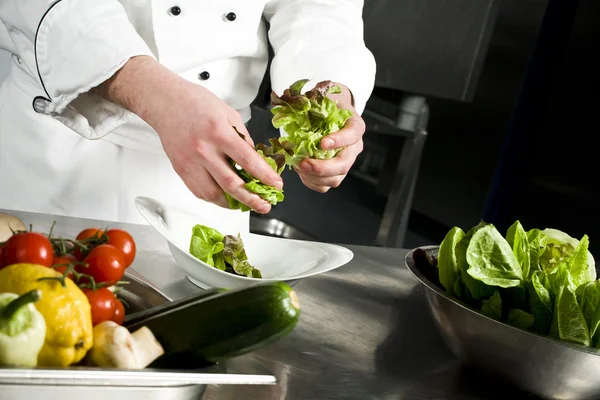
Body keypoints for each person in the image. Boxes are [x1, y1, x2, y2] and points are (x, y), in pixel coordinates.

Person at [0, 1, 376, 234]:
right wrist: (157, 96)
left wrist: (326, 95)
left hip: (213, 176)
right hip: (60, 154)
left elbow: (320, 9)